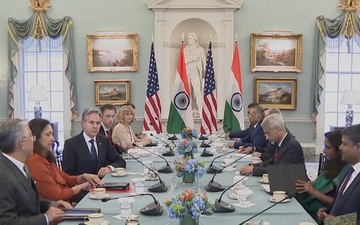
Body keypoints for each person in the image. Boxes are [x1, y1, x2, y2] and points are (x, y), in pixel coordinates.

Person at [0, 119, 72, 225]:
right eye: (31, 137)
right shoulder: (3, 176)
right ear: (22, 143)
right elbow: (7, 222)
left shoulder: (20, 165)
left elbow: (29, 202)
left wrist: (51, 205)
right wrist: (46, 218)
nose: (34, 140)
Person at [25, 118, 104, 203]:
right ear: (36, 137)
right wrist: (80, 187)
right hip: (57, 210)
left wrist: (82, 177)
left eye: (52, 134)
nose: (52, 139)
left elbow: (65, 178)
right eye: (48, 135)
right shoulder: (35, 162)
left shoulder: (47, 158)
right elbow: (57, 195)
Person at [295, 130, 347, 224]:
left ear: (338, 150)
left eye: (328, 147)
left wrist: (312, 191)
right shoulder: (332, 164)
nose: (324, 151)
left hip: (320, 213)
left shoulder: (345, 172)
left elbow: (336, 202)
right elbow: (320, 180)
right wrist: (311, 183)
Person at [62, 109, 126, 178]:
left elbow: (120, 161)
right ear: (83, 124)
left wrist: (109, 168)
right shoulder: (71, 144)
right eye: (91, 123)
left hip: (103, 185)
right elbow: (67, 174)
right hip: (82, 186)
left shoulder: (104, 141)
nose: (95, 126)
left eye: (98, 123)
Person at [318, 124, 360, 224]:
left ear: (358, 147)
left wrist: (339, 222)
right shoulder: (349, 169)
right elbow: (341, 201)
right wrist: (328, 211)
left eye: (345, 144)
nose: (340, 147)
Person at [240, 114, 305, 176]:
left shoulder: (291, 146)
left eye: (268, 133)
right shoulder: (281, 142)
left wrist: (253, 170)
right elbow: (271, 162)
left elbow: (281, 171)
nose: (266, 138)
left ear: (278, 130)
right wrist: (253, 166)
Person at [185, 32, 206, 118]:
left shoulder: (200, 50)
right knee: (187, 93)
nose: (188, 40)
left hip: (196, 74)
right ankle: (187, 113)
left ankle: (201, 112)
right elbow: (184, 62)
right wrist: (193, 59)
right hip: (187, 74)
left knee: (198, 93)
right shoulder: (185, 49)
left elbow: (204, 63)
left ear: (194, 39)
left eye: (190, 38)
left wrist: (204, 76)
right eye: (188, 38)